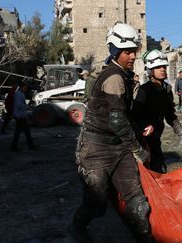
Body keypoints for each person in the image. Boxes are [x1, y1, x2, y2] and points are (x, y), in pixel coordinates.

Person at [68, 22, 152, 243]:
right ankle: (77, 228)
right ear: (116, 51)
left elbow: (125, 115)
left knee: (137, 201)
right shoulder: (115, 77)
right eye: (127, 52)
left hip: (119, 147)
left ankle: (144, 238)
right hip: (96, 149)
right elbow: (117, 120)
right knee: (96, 201)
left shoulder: (124, 75)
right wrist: (138, 150)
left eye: (134, 51)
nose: (133, 56)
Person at [131, 49, 182, 173]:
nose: (163, 69)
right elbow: (134, 116)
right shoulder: (144, 90)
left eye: (164, 66)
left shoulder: (167, 90)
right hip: (142, 141)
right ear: (150, 71)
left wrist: (181, 132)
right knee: (145, 174)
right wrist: (142, 130)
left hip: (156, 139)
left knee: (159, 170)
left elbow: (170, 115)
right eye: (158, 67)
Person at [10, 81, 36, 151]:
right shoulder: (18, 94)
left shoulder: (21, 93)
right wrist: (26, 106)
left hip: (21, 115)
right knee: (21, 131)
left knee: (23, 131)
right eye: (25, 88)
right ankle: (15, 146)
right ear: (21, 87)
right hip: (19, 115)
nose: (26, 89)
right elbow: (19, 105)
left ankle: (30, 145)